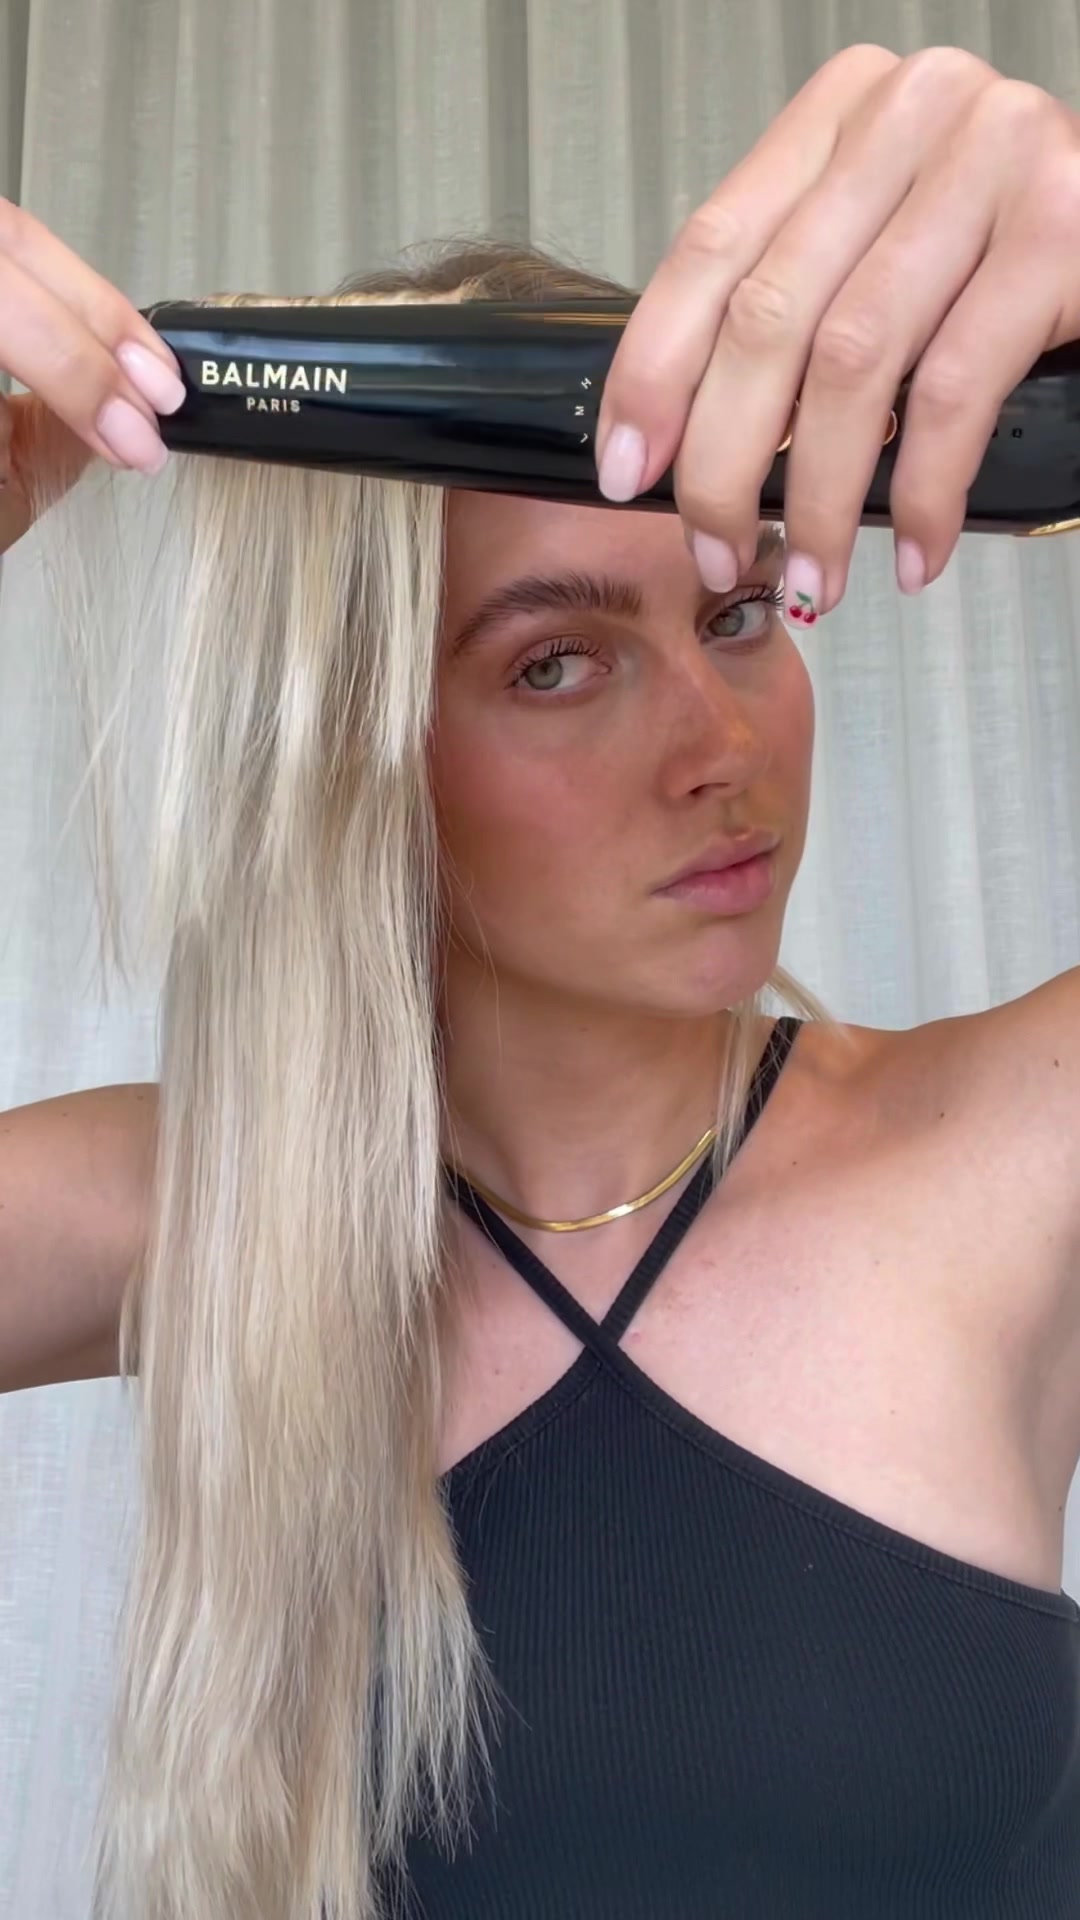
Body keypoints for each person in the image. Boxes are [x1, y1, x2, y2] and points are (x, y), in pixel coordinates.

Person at [2, 39, 1079, 1920]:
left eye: (738, 613)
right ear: (354, 750)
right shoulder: (205, 1207)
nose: (719, 746)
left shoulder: (1012, 1146)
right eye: (556, 663)